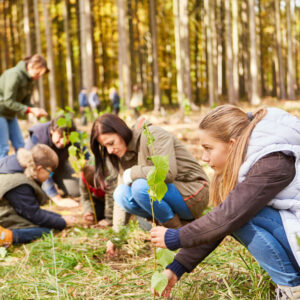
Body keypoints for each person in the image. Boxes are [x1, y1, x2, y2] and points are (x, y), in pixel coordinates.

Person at [150, 105, 300, 299]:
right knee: (236, 213)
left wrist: (176, 237)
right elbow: (222, 219)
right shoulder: (250, 158)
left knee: (241, 215)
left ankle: (293, 290)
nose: (204, 158)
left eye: (208, 149)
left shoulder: (274, 162)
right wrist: (176, 268)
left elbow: (227, 217)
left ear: (232, 143)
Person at [90, 114, 209, 232]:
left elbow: (166, 172)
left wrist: (132, 172)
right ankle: (174, 227)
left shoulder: (152, 134)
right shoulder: (124, 153)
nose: (110, 150)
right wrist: (116, 237)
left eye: (111, 143)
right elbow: (120, 201)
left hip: (193, 192)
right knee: (120, 194)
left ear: (121, 132)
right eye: (105, 147)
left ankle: (177, 232)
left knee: (140, 187)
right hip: (169, 194)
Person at [0, 144, 76, 247]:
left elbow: (31, 209)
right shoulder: (20, 184)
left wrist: (60, 217)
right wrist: (62, 222)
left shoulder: (15, 164)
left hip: (5, 208)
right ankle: (7, 237)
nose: (50, 176)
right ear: (39, 168)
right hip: (3, 214)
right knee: (46, 231)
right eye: (50, 173)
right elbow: (34, 215)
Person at [25, 116, 85, 208]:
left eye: (66, 138)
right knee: (39, 198)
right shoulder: (37, 136)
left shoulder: (73, 134)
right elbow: (37, 168)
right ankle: (47, 190)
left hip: (59, 166)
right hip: (38, 171)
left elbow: (85, 156)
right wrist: (57, 199)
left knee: (76, 190)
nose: (63, 142)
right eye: (60, 137)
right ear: (52, 131)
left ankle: (57, 183)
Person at [0, 54, 49, 158]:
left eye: (41, 74)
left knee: (21, 146)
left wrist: (36, 109)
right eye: (38, 73)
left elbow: (25, 103)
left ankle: (19, 172)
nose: (39, 76)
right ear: (30, 66)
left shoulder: (30, 80)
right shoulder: (14, 75)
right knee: (3, 148)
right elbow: (8, 101)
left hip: (10, 114)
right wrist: (30, 110)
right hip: (1, 112)